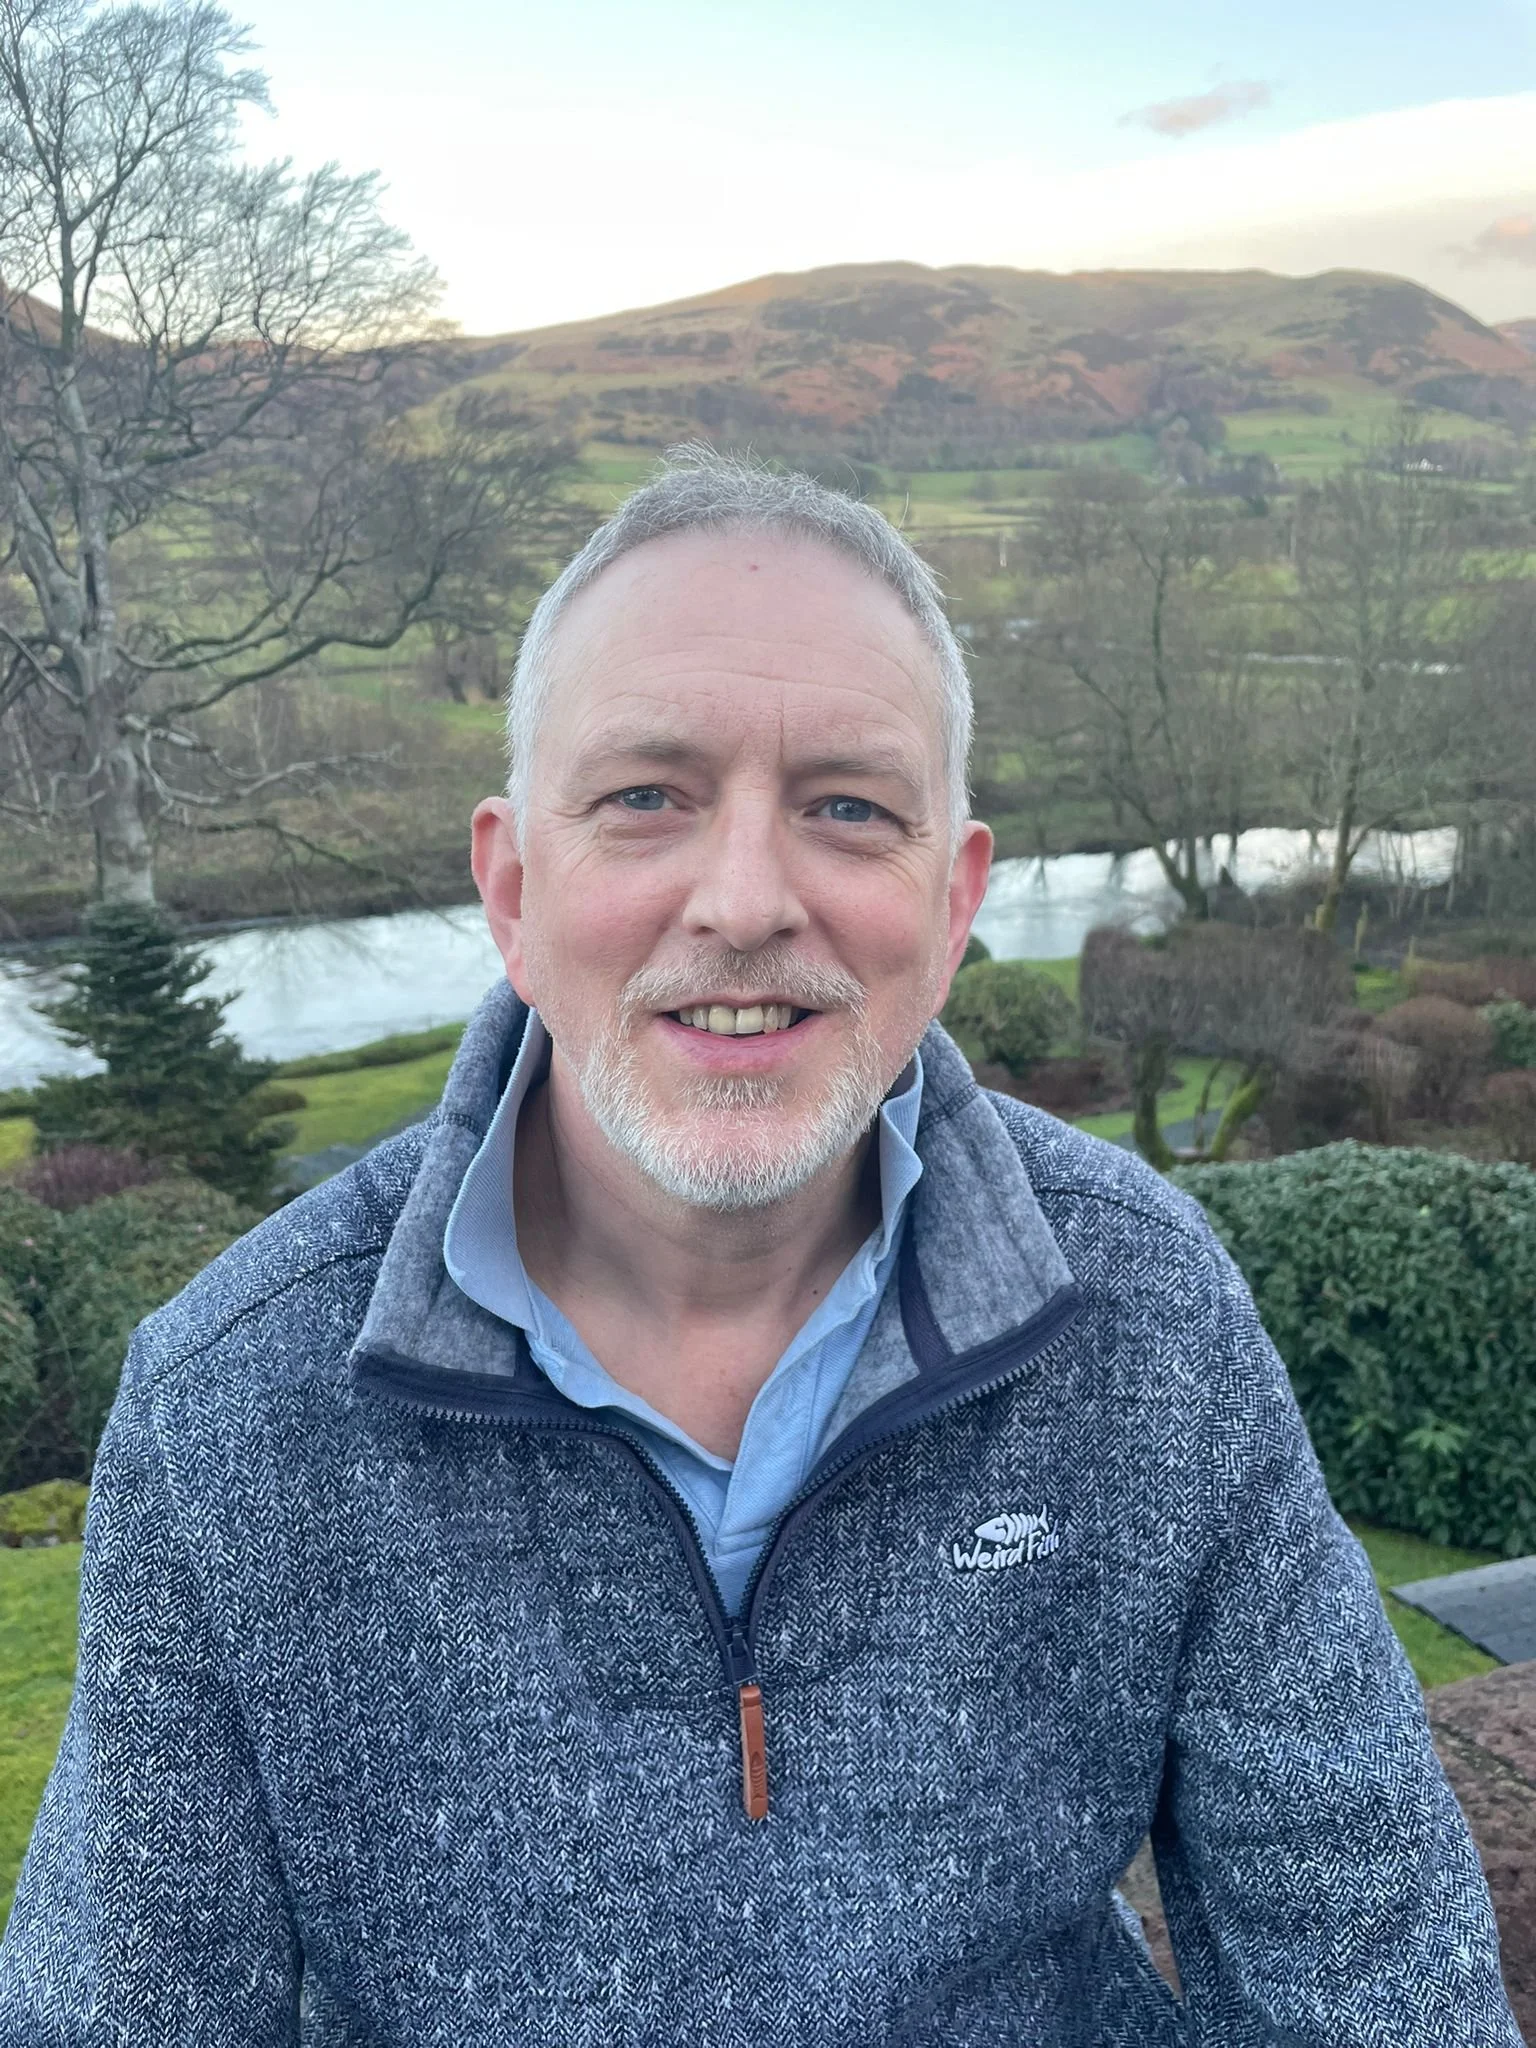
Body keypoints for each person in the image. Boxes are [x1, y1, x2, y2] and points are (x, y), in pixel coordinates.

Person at [0, 448, 1521, 2048]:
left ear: (951, 907)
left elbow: (1372, 1966)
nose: (742, 900)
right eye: (647, 797)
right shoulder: (231, 1408)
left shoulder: (1144, 1312)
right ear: (513, 888)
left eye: (847, 809)